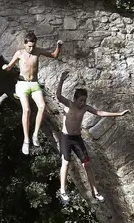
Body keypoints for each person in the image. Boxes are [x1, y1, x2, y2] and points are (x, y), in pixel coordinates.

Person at [55, 71, 129, 204]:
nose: (83, 103)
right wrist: (61, 80)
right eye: (81, 100)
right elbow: (59, 96)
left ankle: (95, 192)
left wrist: (118, 114)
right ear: (75, 99)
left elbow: (99, 113)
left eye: (84, 100)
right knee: (65, 162)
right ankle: (63, 190)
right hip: (66, 138)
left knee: (87, 164)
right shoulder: (70, 105)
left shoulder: (85, 108)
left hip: (77, 139)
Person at [2, 31, 62, 155]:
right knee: (27, 110)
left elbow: (54, 55)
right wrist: (5, 67)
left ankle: (35, 135)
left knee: (42, 106)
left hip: (34, 84)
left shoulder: (38, 51)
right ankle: (26, 139)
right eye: (29, 46)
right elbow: (10, 67)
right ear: (24, 44)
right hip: (22, 84)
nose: (31, 48)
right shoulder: (20, 53)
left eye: (33, 46)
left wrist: (59, 46)